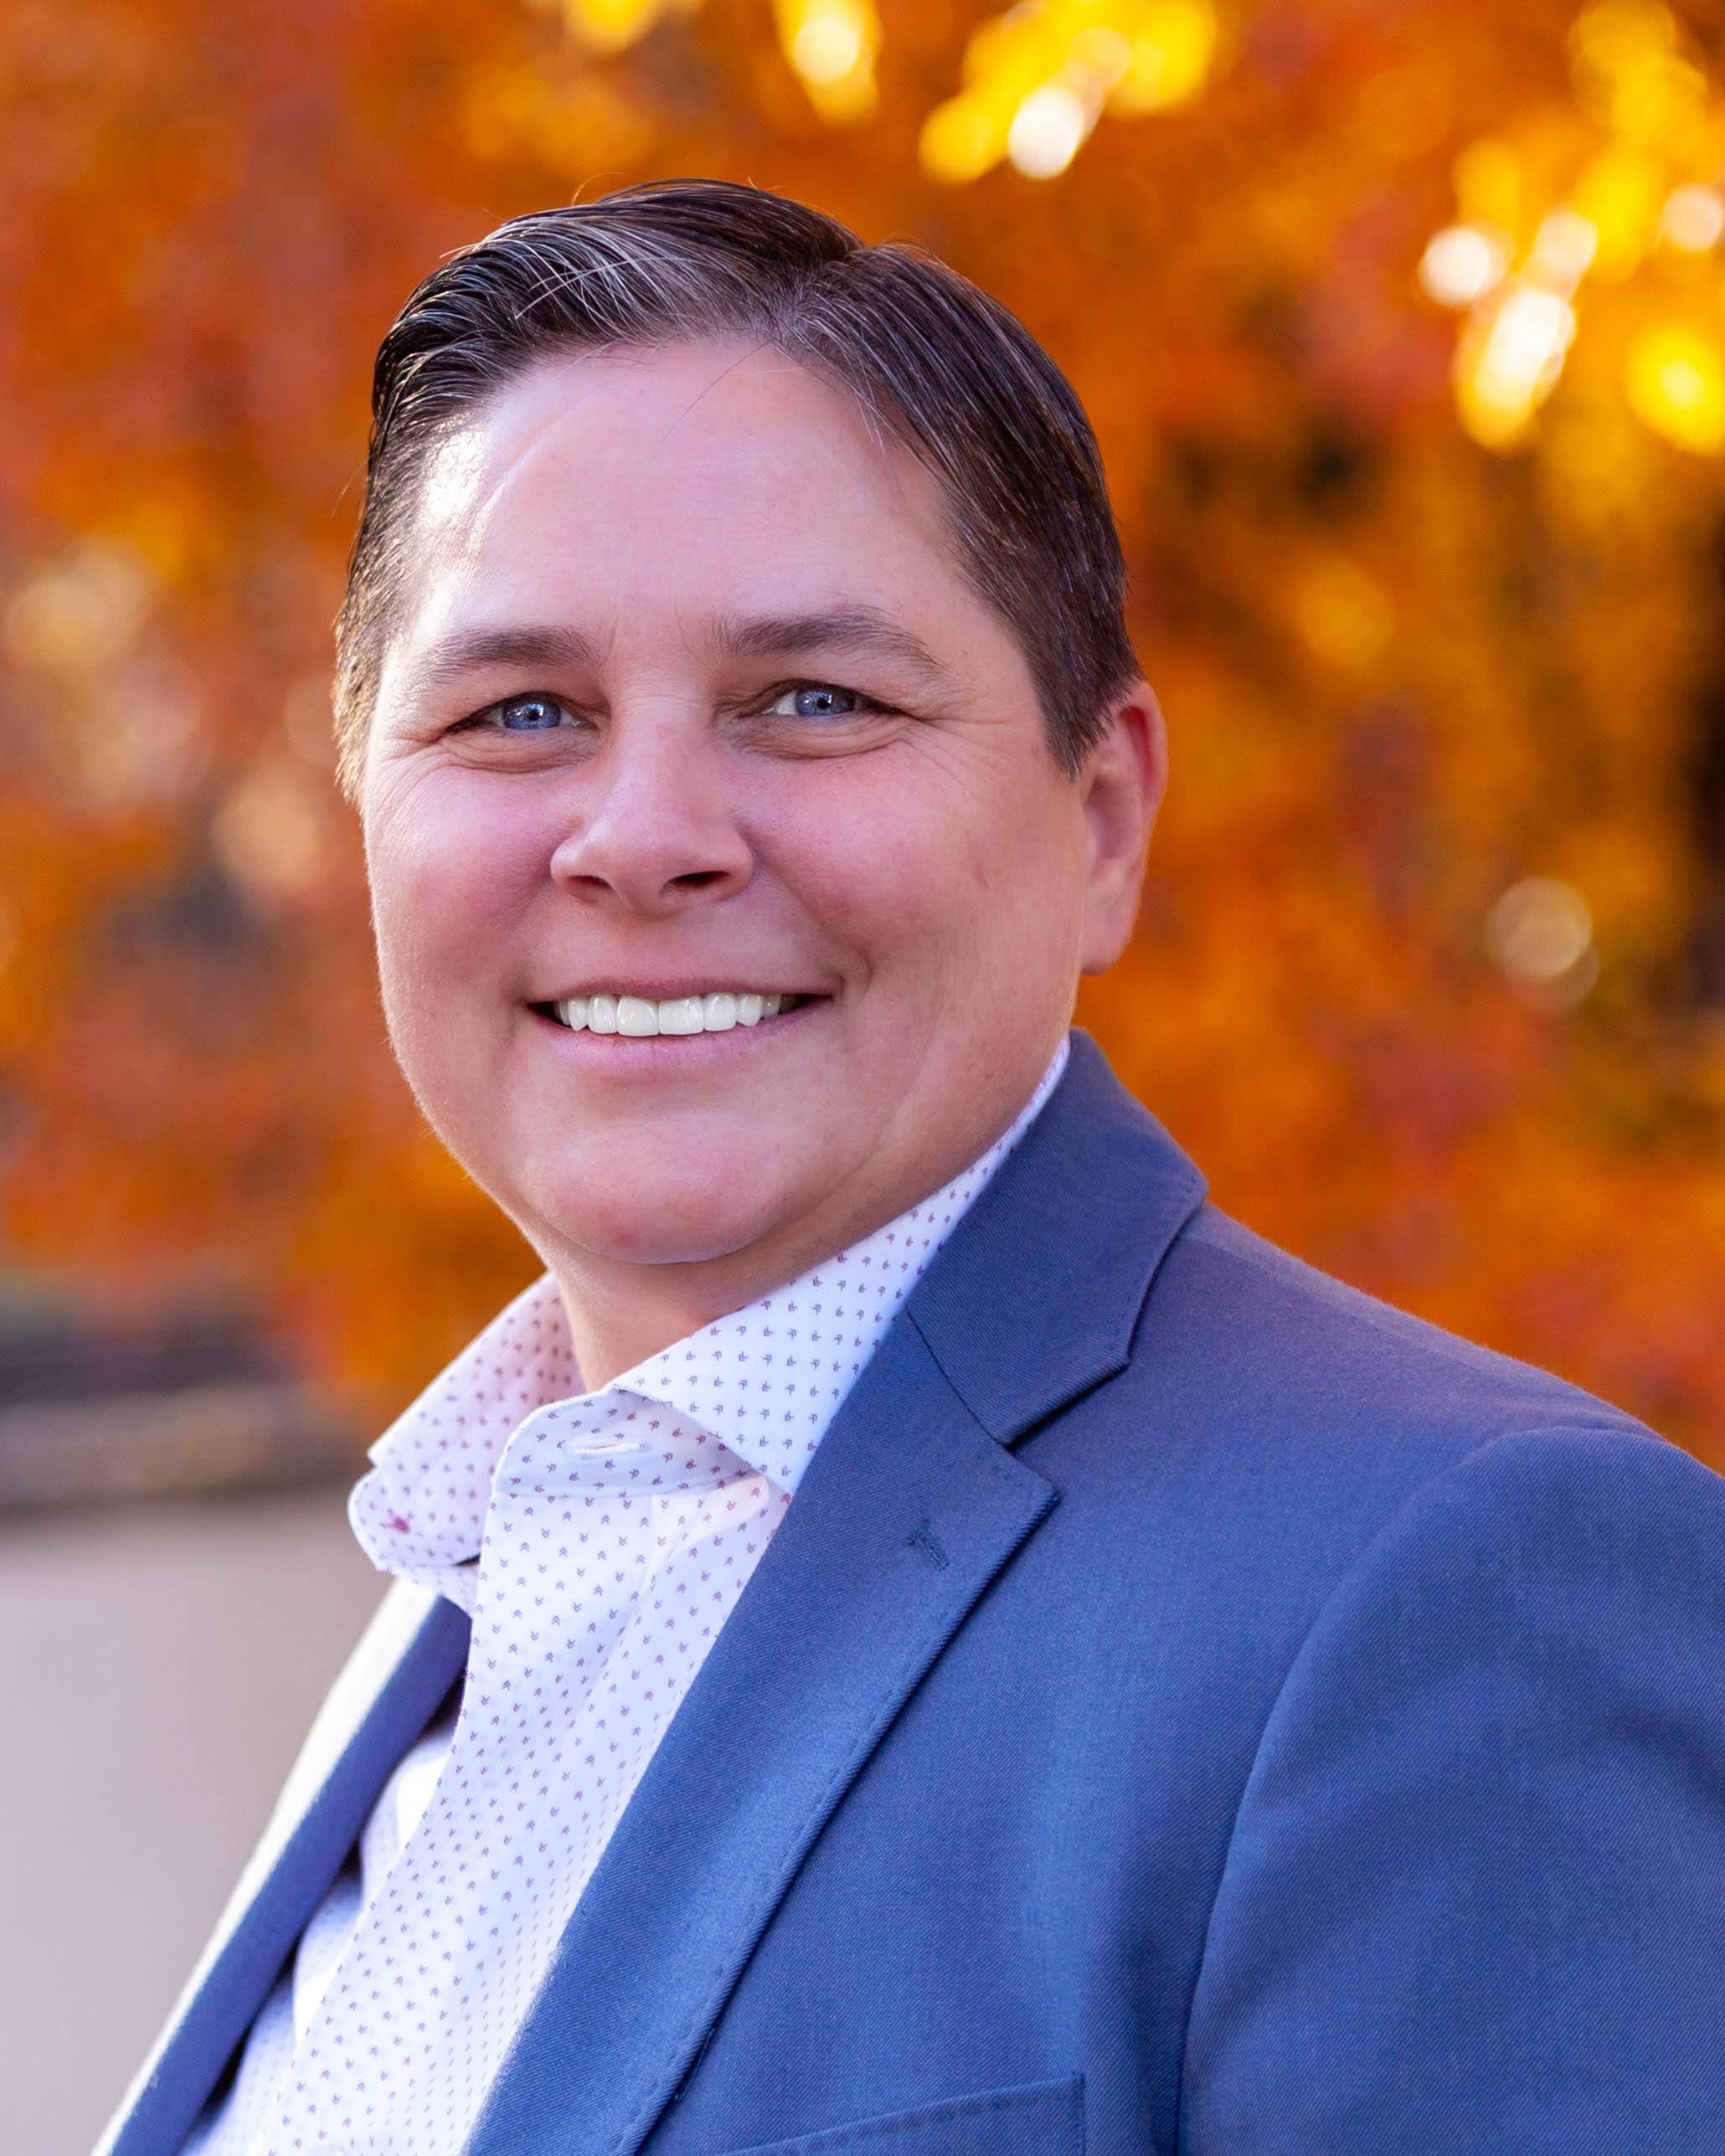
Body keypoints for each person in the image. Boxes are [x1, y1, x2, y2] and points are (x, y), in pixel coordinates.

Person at [99, 179, 1725, 2156]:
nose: (644, 834)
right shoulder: (459, 1612)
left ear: (1103, 814)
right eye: (519, 710)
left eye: (813, 700)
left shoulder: (1448, 1597)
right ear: (363, 803)